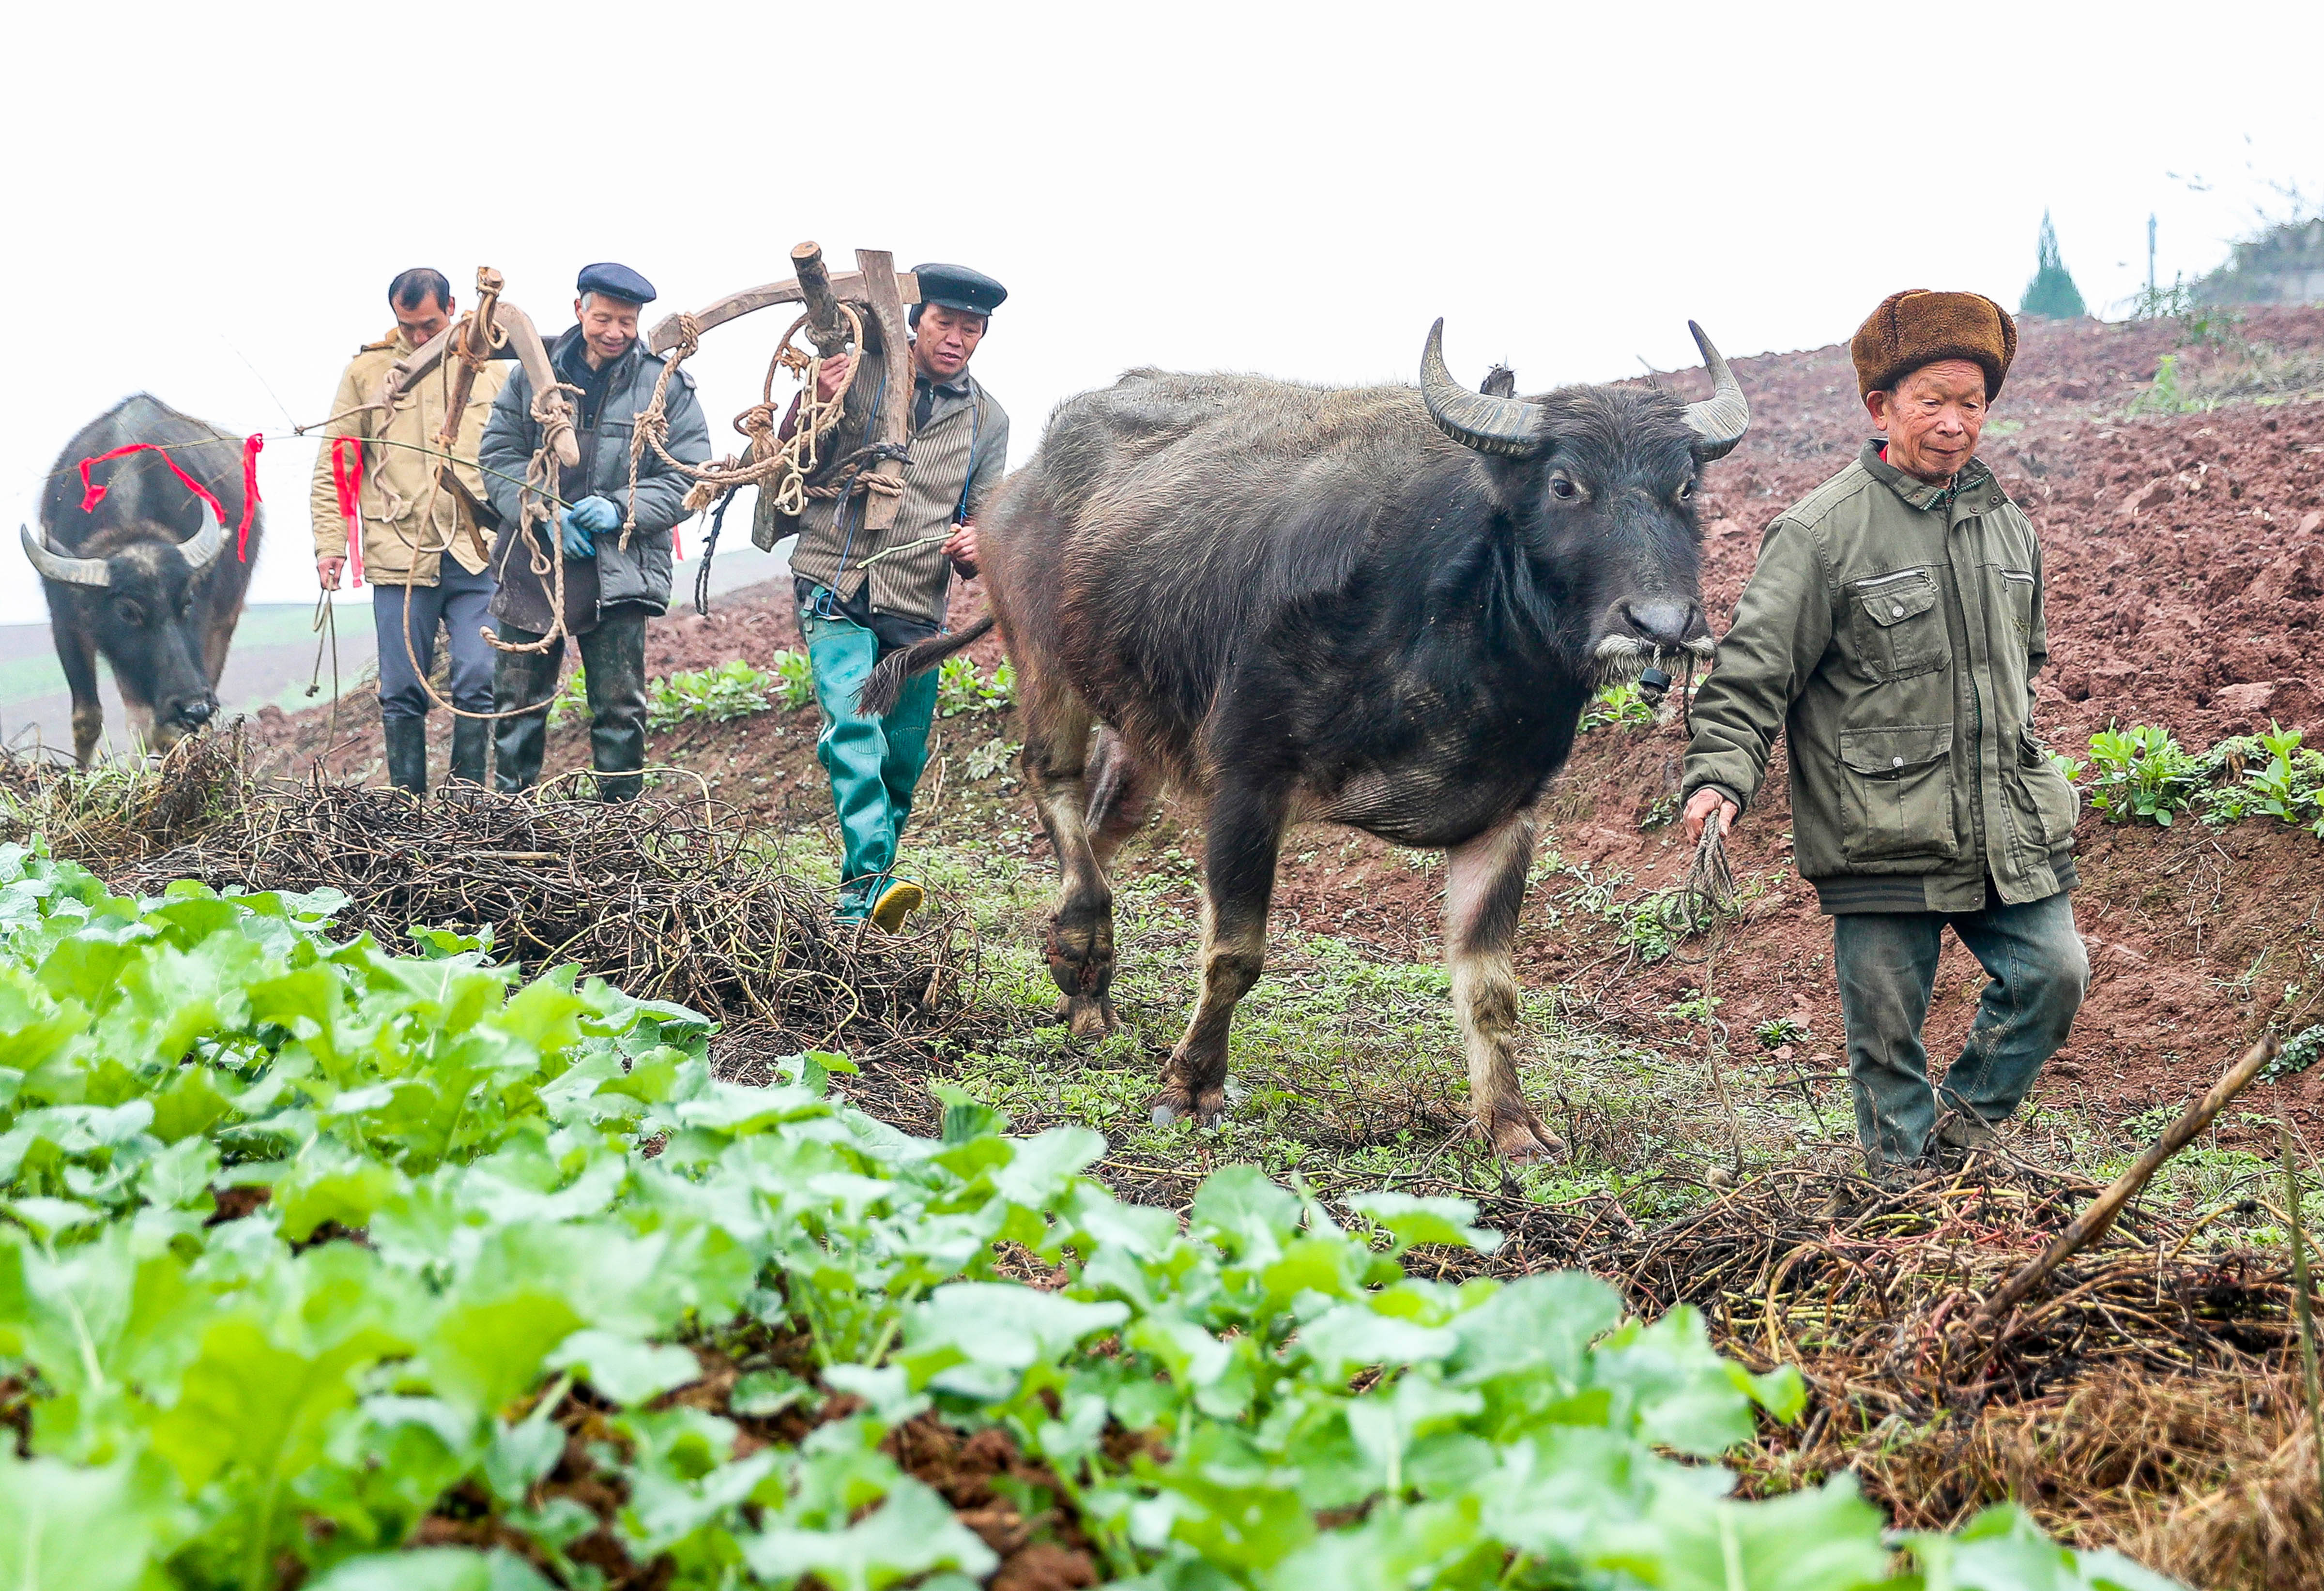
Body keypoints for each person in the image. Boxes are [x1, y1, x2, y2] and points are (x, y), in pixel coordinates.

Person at [1680, 288, 2088, 1184]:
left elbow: (2021, 671)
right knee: (1887, 1049)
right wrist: (1719, 777)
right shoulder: (1821, 533)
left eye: (1971, 403)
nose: (1953, 424)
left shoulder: (2008, 527)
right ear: (1882, 408)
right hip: (1879, 836)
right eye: (1932, 402)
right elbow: (1753, 675)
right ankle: (1898, 1212)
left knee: (2054, 976)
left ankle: (1957, 1143)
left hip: (2001, 827)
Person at [755, 262, 1011, 928]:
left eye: (971, 328)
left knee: (901, 755)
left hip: (916, 598)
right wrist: (813, 400)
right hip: (833, 574)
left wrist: (977, 543)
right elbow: (790, 463)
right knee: (852, 725)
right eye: (944, 322)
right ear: (915, 322)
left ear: (982, 336)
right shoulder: (857, 373)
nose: (956, 337)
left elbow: (984, 515)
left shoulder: (989, 418)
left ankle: (869, 894)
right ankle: (867, 882)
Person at [479, 263, 709, 801]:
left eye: (626, 321)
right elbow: (497, 455)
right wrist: (540, 509)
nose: (614, 331)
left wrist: (621, 509)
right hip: (534, 560)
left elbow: (688, 474)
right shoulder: (529, 376)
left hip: (619, 566)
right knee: (518, 703)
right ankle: (510, 819)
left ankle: (620, 830)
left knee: (619, 707)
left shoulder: (664, 384)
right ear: (579, 309)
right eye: (603, 317)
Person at [310, 268, 507, 793]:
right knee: (400, 690)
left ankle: (468, 810)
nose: (420, 337)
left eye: (430, 325)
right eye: (408, 326)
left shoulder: (494, 369)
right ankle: (406, 814)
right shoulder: (369, 372)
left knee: (479, 677)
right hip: (399, 554)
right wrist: (330, 545)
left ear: (453, 308)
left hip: (477, 551)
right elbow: (338, 464)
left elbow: (524, 456)